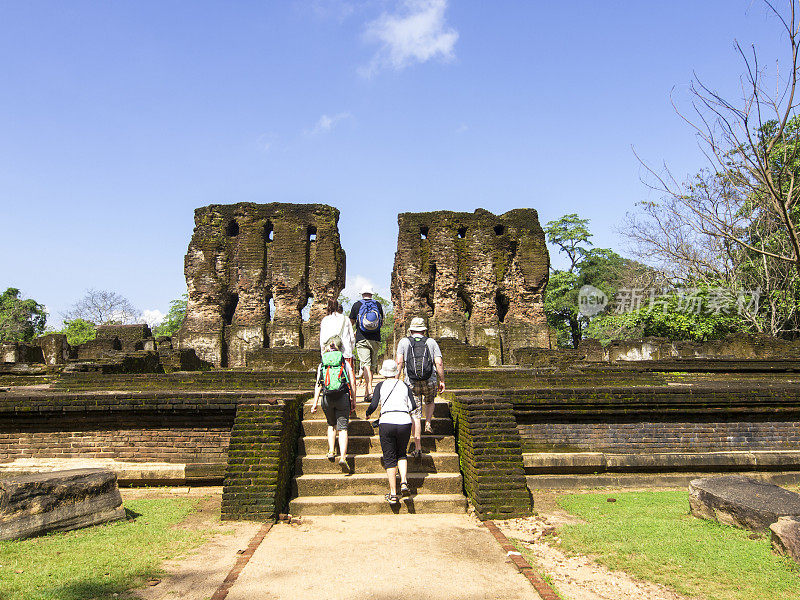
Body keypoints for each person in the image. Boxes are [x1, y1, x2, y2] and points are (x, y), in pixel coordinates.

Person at [366, 359, 417, 505]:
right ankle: (404, 481)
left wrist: (368, 413)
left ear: (383, 373)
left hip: (387, 421)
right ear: (396, 372)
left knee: (389, 458)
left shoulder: (380, 386)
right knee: (401, 453)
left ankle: (393, 494)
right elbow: (412, 405)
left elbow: (374, 404)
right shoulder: (404, 385)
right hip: (404, 421)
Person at [395, 317, 445, 459]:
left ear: (410, 330)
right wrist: (442, 380)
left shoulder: (404, 342)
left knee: (415, 414)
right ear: (424, 330)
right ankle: (428, 422)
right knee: (429, 401)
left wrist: (396, 380)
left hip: (411, 381)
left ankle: (418, 447)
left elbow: (399, 362)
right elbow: (439, 363)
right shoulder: (431, 342)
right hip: (429, 380)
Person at [310, 339, 357, 473]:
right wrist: (353, 400)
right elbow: (352, 382)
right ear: (340, 348)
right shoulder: (344, 363)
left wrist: (314, 403)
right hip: (342, 397)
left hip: (327, 398)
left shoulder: (323, 364)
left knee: (331, 425)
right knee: (342, 429)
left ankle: (331, 451)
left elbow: (319, 384)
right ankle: (342, 456)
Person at [349, 284, 384, 403]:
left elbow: (351, 322)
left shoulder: (357, 305)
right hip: (375, 338)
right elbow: (381, 323)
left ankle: (369, 390)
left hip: (362, 338)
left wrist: (352, 332)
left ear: (362, 294)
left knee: (365, 364)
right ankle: (367, 393)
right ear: (371, 294)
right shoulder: (377, 305)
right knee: (372, 366)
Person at [319, 298, 356, 389]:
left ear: (328, 308)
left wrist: (323, 352)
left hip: (330, 353)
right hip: (345, 352)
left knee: (329, 374)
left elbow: (322, 339)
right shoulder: (345, 319)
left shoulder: (325, 320)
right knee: (349, 377)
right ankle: (353, 400)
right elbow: (352, 337)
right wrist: (351, 350)